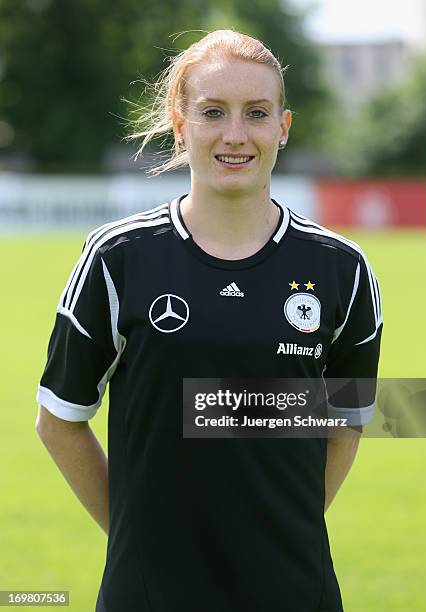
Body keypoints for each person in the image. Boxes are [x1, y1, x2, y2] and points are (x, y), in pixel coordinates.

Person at [35, 29, 383, 612]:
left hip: (294, 591)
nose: (235, 135)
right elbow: (59, 420)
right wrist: (134, 533)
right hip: (148, 593)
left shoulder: (342, 269)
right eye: (213, 112)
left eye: (257, 113)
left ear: (284, 127)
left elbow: (348, 419)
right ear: (180, 124)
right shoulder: (117, 258)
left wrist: (281, 528)